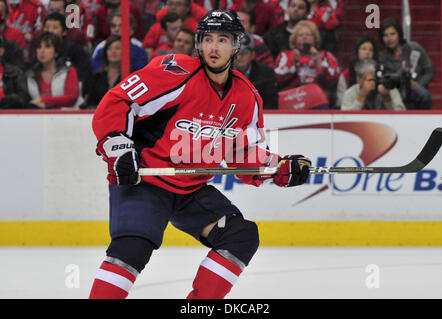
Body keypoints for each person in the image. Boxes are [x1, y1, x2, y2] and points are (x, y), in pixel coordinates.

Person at [89, 9, 311, 299]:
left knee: (240, 235)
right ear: (199, 43)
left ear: (236, 45)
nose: (213, 47)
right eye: (207, 39)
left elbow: (244, 154)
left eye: (222, 39)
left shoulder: (247, 97)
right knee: (131, 248)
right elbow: (118, 101)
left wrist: (279, 169)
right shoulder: (174, 72)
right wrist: (117, 145)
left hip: (190, 190)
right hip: (145, 181)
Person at [274, 20, 339, 103]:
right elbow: (278, 79)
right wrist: (292, 62)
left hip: (318, 101)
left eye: (308, 35)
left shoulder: (325, 56)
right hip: (291, 100)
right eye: (300, 35)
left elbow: (332, 82)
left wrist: (318, 63)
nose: (305, 37)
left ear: (315, 38)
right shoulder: (286, 55)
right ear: (295, 39)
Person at [378, 17, 433, 110]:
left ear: (399, 34)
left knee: (424, 95)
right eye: (385, 35)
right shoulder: (382, 58)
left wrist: (419, 84)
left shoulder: (415, 48)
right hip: (395, 94)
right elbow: (382, 80)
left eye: (392, 34)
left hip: (415, 91)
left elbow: (429, 72)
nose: (389, 38)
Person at [25, 31, 79, 109]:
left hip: (66, 117)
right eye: (39, 47)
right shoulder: (30, 73)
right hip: (38, 117)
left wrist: (44, 100)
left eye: (47, 47)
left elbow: (71, 98)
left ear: (56, 52)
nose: (42, 51)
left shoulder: (68, 70)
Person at [234, 33, 278, 109]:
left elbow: (271, 104)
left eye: (244, 53)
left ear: (252, 55)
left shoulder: (266, 73)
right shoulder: (222, 72)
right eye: (236, 52)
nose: (239, 57)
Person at [85, 35, 128, 108]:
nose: (113, 51)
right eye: (110, 48)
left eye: (117, 48)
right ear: (106, 52)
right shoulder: (97, 76)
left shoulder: (130, 75)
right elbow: (90, 102)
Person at [336, 35, 378, 107]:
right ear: (357, 52)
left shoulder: (379, 74)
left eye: (371, 50)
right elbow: (341, 103)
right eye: (364, 49)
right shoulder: (346, 75)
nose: (367, 52)